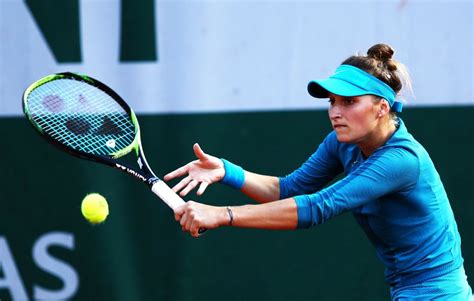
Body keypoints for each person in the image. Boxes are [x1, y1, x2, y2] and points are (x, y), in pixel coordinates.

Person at [164, 43, 473, 300]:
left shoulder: (402, 160)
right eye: (332, 102)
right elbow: (289, 190)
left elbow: (317, 207)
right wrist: (227, 171)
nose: (335, 112)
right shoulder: (343, 143)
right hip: (408, 291)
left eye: (349, 102)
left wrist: (223, 214)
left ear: (381, 108)